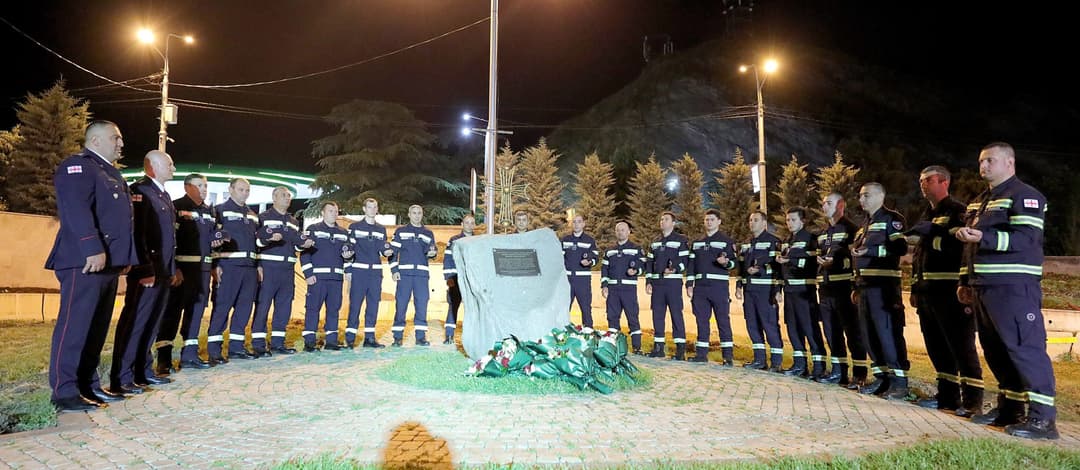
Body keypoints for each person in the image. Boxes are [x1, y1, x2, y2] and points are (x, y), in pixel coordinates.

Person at [957, 142, 1057, 439]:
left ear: (1009, 163)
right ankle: (1011, 409)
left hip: (1013, 287)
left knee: (1025, 350)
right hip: (983, 286)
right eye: (981, 161)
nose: (983, 166)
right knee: (996, 350)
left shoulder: (1026, 196)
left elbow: (1026, 240)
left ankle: (1042, 420)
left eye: (990, 160)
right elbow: (970, 246)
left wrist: (984, 236)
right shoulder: (979, 201)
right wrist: (965, 279)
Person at [46, 120, 138, 411]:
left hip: (107, 263)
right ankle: (64, 390)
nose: (121, 144)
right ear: (95, 140)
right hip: (84, 261)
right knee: (75, 327)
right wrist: (92, 247)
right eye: (116, 138)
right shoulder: (79, 167)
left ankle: (88, 385)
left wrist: (124, 258)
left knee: (96, 329)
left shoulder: (110, 173)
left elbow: (121, 222)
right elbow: (75, 210)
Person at [907, 166, 984, 416]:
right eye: (920, 180)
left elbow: (960, 248)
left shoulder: (957, 211)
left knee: (961, 346)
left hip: (950, 292)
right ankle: (947, 397)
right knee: (937, 347)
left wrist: (932, 237)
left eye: (927, 180)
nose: (922, 184)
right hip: (928, 293)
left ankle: (972, 400)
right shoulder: (928, 213)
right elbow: (919, 256)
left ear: (944, 182)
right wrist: (915, 287)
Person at [109, 150, 178, 395]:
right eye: (169, 164)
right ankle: (123, 377)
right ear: (152, 167)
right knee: (135, 323)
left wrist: (171, 269)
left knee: (151, 323)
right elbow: (138, 234)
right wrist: (144, 269)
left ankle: (143, 372)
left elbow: (168, 238)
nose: (174, 168)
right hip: (147, 272)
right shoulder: (140, 191)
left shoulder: (163, 194)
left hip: (162, 271)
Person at [155, 174, 223, 371]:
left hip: (202, 272)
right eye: (199, 185)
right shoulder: (176, 207)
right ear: (187, 187)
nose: (204, 189)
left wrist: (215, 264)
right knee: (171, 314)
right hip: (182, 271)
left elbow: (214, 239)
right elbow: (170, 239)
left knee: (195, 313)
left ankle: (189, 356)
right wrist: (173, 267)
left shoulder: (210, 211)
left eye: (205, 185)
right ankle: (164, 359)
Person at [852, 182, 910, 400]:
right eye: (860, 196)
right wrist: (855, 285)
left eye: (866, 195)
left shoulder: (891, 219)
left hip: (883, 287)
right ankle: (881, 378)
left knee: (887, 334)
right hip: (865, 286)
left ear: (880, 196)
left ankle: (899, 383)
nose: (861, 200)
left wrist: (873, 250)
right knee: (870, 335)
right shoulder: (864, 224)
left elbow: (900, 248)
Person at [814, 193, 867, 387]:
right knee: (832, 333)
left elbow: (855, 256)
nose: (824, 206)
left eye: (828, 202)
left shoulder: (852, 229)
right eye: (823, 202)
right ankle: (839, 373)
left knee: (853, 333)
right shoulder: (823, 232)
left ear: (841, 205)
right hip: (825, 289)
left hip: (844, 289)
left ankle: (860, 374)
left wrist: (855, 286)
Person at [253, 187, 312, 355]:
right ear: (274, 197)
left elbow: (295, 243)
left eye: (289, 196)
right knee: (263, 306)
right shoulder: (263, 218)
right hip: (268, 269)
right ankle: (258, 344)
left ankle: (278, 343)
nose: (288, 198)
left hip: (287, 270)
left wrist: (303, 244)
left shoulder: (293, 222)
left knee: (284, 307)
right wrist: (257, 266)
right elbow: (255, 242)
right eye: (284, 195)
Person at [207, 178, 260, 362]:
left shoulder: (253, 214)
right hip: (228, 268)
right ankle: (214, 350)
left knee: (244, 309)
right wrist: (215, 266)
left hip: (249, 269)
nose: (244, 193)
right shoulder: (219, 210)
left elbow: (258, 243)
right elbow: (212, 239)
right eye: (241, 189)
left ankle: (236, 348)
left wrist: (258, 266)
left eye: (247, 190)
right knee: (222, 307)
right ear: (230, 189)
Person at [776, 207, 826, 378]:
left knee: (810, 327)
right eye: (788, 220)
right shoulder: (787, 240)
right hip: (790, 290)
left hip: (804, 290)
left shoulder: (810, 239)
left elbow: (812, 263)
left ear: (802, 221)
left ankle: (819, 366)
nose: (789, 223)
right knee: (793, 328)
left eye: (793, 220)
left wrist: (792, 261)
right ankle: (800, 364)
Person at [685, 209, 737, 365]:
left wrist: (726, 263)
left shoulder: (726, 241)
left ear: (719, 221)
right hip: (700, 288)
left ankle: (727, 357)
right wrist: (689, 283)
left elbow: (734, 263)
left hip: (719, 287)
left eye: (712, 219)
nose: (709, 222)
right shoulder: (697, 242)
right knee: (701, 321)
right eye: (707, 219)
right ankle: (701, 355)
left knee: (723, 321)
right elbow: (691, 265)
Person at [299, 201, 352, 351]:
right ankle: (309, 342)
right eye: (330, 211)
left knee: (334, 310)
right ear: (323, 212)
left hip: (336, 279)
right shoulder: (313, 229)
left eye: (336, 211)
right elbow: (304, 253)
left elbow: (347, 254)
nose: (334, 214)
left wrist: (348, 269)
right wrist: (308, 273)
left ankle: (331, 342)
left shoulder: (343, 232)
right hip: (318, 278)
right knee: (312, 309)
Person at [735, 211, 784, 371]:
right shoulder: (746, 244)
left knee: (769, 324)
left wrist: (777, 288)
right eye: (750, 220)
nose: (752, 223)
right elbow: (741, 267)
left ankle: (776, 362)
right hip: (750, 291)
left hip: (766, 290)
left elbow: (778, 267)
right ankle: (759, 360)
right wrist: (739, 286)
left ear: (764, 224)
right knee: (752, 325)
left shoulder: (774, 242)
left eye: (755, 220)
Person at [346, 198, 392, 348]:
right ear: (364, 209)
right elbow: (348, 250)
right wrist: (348, 271)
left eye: (375, 207)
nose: (372, 210)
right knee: (355, 306)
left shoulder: (381, 229)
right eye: (370, 207)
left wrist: (387, 251)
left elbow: (383, 249)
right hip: (359, 272)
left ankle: (370, 339)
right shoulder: (354, 227)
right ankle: (350, 338)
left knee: (373, 305)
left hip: (375, 274)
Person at [390, 205, 438, 346]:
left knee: (422, 305)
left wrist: (433, 254)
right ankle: (397, 337)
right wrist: (394, 270)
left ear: (422, 215)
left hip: (421, 275)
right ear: (409, 214)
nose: (417, 215)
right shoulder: (400, 231)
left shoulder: (428, 233)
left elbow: (432, 251)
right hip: (404, 275)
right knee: (401, 305)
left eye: (419, 213)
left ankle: (420, 337)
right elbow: (393, 252)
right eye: (414, 213)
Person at [645, 211, 689, 360]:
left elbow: (685, 261)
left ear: (673, 223)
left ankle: (680, 349)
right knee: (657, 315)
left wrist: (674, 269)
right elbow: (649, 263)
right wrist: (649, 281)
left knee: (676, 314)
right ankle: (658, 347)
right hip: (658, 284)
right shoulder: (655, 241)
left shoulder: (680, 240)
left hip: (673, 283)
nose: (662, 221)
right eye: (661, 219)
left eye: (666, 219)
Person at [601, 220, 645, 354]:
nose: (620, 232)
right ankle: (613, 348)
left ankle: (637, 348)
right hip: (613, 290)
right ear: (615, 232)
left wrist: (636, 270)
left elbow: (643, 266)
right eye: (618, 230)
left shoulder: (636, 249)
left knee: (632, 317)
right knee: (612, 318)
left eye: (623, 229)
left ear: (629, 232)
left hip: (628, 290)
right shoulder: (609, 251)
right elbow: (604, 269)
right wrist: (604, 285)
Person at [442, 213, 475, 344]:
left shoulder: (477, 240)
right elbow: (448, 259)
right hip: (456, 279)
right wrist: (449, 278)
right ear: (462, 224)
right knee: (453, 307)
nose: (469, 225)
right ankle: (449, 336)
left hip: (472, 280)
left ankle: (471, 336)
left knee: (472, 308)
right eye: (467, 222)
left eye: (472, 223)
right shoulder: (454, 240)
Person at [562, 214, 599, 327]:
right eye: (574, 222)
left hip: (582, 281)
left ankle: (588, 333)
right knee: (564, 308)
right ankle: (561, 335)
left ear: (583, 224)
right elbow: (559, 259)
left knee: (586, 309)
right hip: (567, 280)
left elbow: (595, 258)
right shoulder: (565, 240)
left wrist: (590, 262)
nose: (576, 224)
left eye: (579, 222)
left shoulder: (589, 241)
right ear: (571, 224)